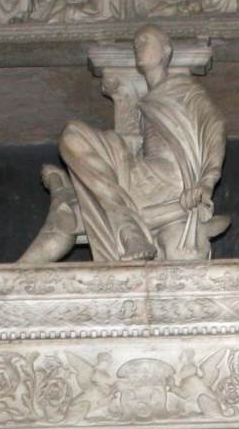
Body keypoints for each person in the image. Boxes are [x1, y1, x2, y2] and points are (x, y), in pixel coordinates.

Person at [20, 23, 228, 264]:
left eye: (145, 41)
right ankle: (127, 227)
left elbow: (215, 128)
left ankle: (81, 200)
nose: (137, 46)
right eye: (135, 43)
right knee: (72, 135)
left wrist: (207, 181)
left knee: (73, 214)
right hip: (139, 177)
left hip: (169, 184)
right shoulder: (148, 102)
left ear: (166, 51)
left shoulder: (185, 91)